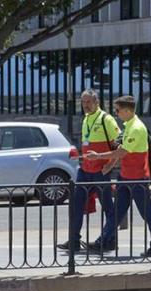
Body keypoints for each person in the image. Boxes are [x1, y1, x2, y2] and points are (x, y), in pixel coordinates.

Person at [82, 95, 151, 258]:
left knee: (147, 213)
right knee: (117, 212)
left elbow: (122, 152)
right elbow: (121, 149)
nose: (116, 113)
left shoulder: (137, 128)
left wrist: (98, 156)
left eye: (118, 110)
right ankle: (102, 242)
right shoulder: (128, 126)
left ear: (127, 110)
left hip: (137, 178)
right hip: (125, 177)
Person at [58, 89, 120, 254]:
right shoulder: (86, 119)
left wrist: (110, 164)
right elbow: (88, 144)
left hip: (101, 171)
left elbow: (119, 146)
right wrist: (80, 157)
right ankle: (74, 241)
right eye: (83, 102)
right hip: (85, 170)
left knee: (108, 207)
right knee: (76, 205)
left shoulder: (106, 119)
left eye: (88, 101)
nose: (85, 105)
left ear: (96, 101)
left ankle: (109, 240)